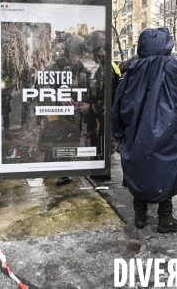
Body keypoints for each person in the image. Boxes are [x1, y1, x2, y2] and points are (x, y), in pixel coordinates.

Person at [111, 28, 177, 233]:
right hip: (169, 128)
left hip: (137, 128)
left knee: (139, 169)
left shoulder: (134, 67)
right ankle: (165, 217)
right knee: (167, 170)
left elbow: (120, 101)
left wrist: (119, 131)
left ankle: (140, 214)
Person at [39, 35, 89, 186]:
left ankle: (65, 173)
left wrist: (85, 102)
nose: (75, 58)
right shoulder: (53, 67)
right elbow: (41, 87)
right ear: (67, 52)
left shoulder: (83, 69)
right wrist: (56, 95)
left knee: (71, 144)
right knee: (51, 147)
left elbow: (88, 92)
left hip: (73, 117)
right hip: (55, 115)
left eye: (78, 55)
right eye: (73, 54)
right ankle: (49, 173)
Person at [83, 30, 121, 181]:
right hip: (100, 114)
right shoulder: (102, 66)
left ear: (100, 49)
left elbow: (109, 96)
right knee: (98, 143)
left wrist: (92, 108)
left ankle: (102, 172)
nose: (92, 55)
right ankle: (99, 170)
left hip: (104, 115)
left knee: (103, 144)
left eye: (94, 51)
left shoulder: (107, 68)